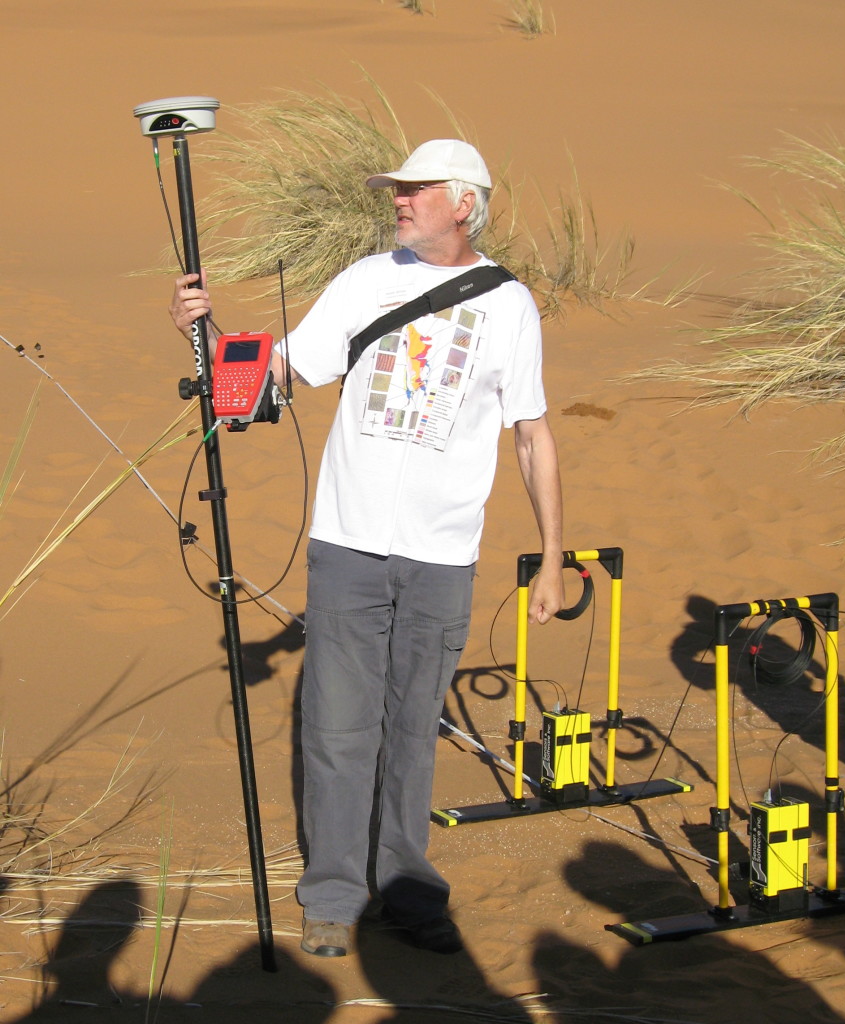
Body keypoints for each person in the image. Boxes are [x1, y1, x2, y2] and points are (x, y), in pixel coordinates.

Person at [169, 138, 566, 957]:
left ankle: (408, 890)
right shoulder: (363, 280)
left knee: (412, 725)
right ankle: (333, 894)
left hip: (443, 550)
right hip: (346, 543)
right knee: (337, 724)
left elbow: (531, 433)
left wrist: (554, 556)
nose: (399, 200)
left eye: (416, 190)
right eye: (397, 190)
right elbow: (277, 376)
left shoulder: (509, 306)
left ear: (464, 202)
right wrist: (205, 337)